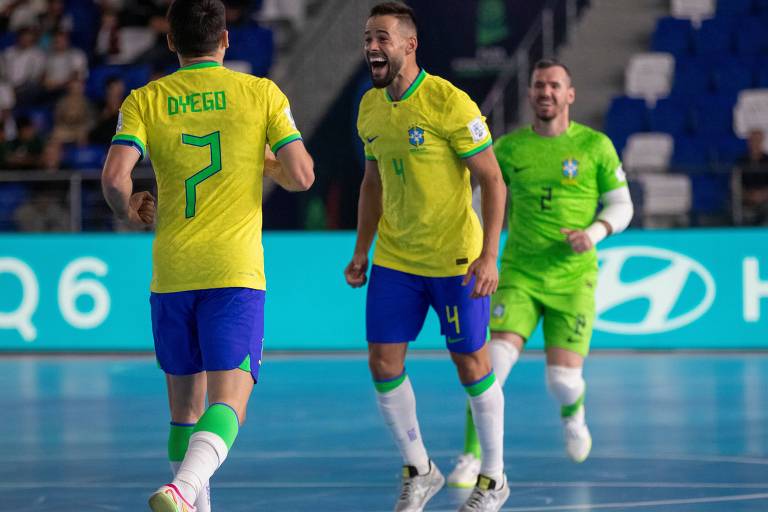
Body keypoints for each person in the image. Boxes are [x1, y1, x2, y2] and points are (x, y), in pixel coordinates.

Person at [100, 1, 314, 511]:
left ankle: (192, 498)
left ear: (170, 42)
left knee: (183, 413)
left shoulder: (145, 99)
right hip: (233, 273)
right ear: (225, 40)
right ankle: (181, 489)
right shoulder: (260, 93)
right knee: (229, 405)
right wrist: (262, 162)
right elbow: (302, 175)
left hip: (172, 274)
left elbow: (113, 179)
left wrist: (129, 207)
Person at [344, 3, 509, 511]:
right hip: (396, 258)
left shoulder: (449, 102)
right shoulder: (369, 107)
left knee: (472, 365)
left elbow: (492, 180)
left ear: (410, 45)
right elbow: (372, 182)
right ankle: (421, 468)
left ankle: (494, 479)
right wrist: (360, 250)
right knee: (382, 362)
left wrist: (489, 256)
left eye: (384, 38)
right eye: (369, 37)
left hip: (455, 259)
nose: (373, 46)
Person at [447, 59, 634, 488]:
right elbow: (478, 196)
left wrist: (594, 232)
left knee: (563, 382)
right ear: (530, 94)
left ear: (569, 94)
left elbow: (622, 205)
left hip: (573, 277)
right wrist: (476, 246)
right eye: (538, 86)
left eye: (554, 85)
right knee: (488, 367)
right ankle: (471, 457)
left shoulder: (595, 146)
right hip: (519, 274)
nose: (545, 92)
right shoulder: (510, 149)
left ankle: (574, 413)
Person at [736, 129, 768, 225]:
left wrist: (762, 195)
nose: (755, 143)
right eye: (752, 140)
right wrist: (748, 195)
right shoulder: (741, 162)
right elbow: (736, 184)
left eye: (757, 140)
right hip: (746, 200)